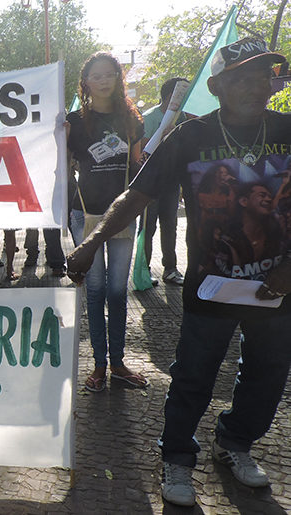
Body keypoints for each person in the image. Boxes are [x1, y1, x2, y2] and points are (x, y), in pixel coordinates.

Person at [66, 38, 291, 507]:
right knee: (193, 375)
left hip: (278, 287)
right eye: (244, 77)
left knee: (268, 374)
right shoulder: (190, 137)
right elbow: (137, 194)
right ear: (220, 86)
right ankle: (177, 456)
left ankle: (235, 444)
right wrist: (92, 241)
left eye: (264, 76)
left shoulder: (289, 129)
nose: (258, 86)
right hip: (211, 285)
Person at [66, 52, 147, 393]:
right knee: (95, 291)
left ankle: (118, 363)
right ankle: (99, 365)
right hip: (84, 213)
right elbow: (61, 166)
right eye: (96, 76)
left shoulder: (132, 120)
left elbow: (139, 163)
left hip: (122, 215)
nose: (103, 80)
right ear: (86, 83)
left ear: (118, 77)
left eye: (109, 74)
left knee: (117, 291)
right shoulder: (74, 122)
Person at [139, 77, 191, 285]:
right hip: (150, 184)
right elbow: (142, 152)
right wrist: (163, 137)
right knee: (147, 228)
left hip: (172, 182)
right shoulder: (149, 117)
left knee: (170, 226)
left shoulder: (184, 117)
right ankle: (143, 271)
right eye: (180, 95)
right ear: (170, 96)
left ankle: (170, 269)